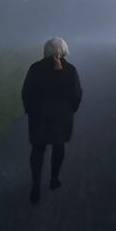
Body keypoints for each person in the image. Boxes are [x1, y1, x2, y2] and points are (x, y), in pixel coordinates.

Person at [21, 37, 82, 203]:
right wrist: (71, 110)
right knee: (58, 146)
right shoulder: (70, 70)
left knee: (37, 149)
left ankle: (36, 184)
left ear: (46, 50)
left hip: (39, 114)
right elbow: (77, 94)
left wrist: (29, 109)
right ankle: (54, 178)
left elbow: (26, 92)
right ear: (64, 51)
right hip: (61, 116)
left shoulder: (35, 68)